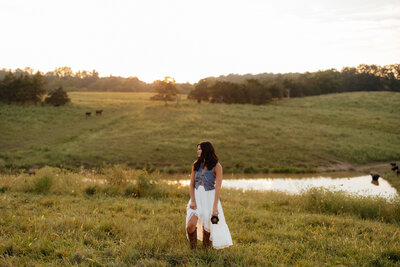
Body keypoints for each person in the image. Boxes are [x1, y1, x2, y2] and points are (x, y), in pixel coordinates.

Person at [185, 141, 233, 249]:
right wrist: (192, 200)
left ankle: (205, 252)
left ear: (206, 150)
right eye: (197, 149)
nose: (198, 151)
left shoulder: (217, 166)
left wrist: (215, 206)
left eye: (200, 149)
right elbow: (191, 184)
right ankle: (193, 249)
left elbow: (218, 188)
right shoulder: (196, 164)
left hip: (210, 198)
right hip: (197, 197)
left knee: (207, 227)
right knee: (190, 225)